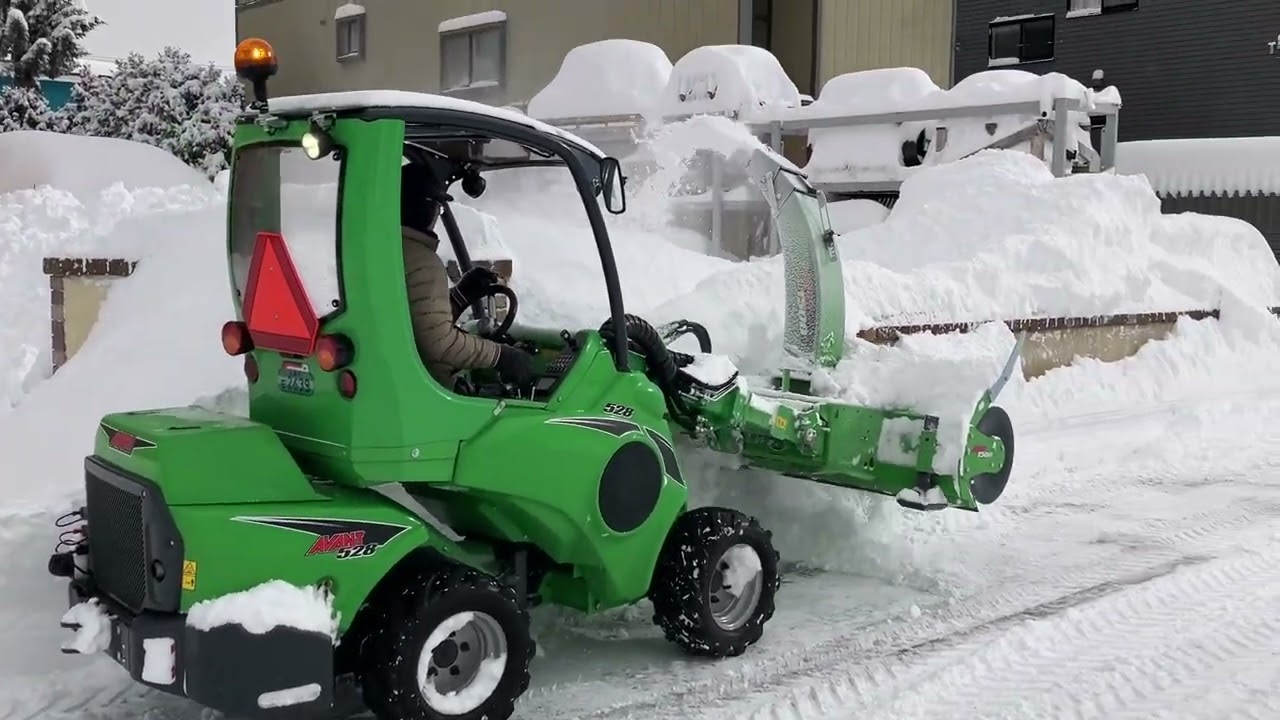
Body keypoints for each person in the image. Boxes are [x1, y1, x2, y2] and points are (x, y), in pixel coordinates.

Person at [400, 162, 534, 388]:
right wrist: (501, 356)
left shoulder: (389, 250)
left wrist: (461, 295)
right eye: (438, 207)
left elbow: (414, 324)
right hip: (428, 392)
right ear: (430, 208)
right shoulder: (422, 262)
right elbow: (438, 344)